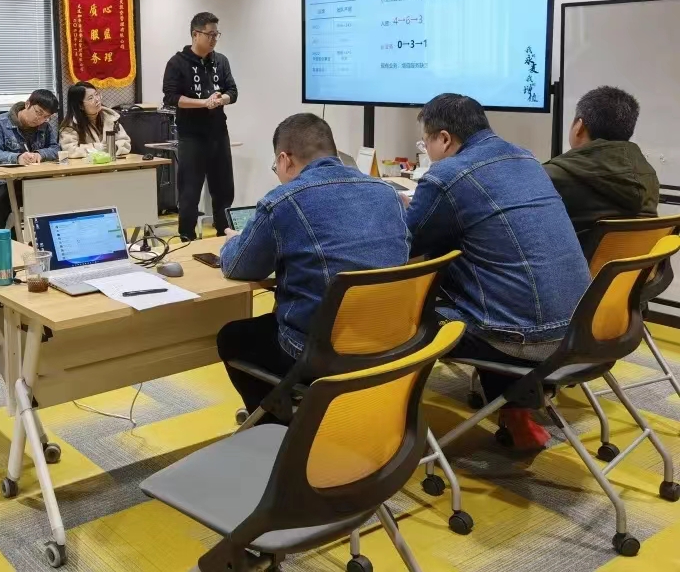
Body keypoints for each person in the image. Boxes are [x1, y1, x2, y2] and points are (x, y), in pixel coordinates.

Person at [406, 94, 591, 450]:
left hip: (521, 340)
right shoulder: (526, 158)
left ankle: (388, 425)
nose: (426, 149)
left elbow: (406, 243)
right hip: (579, 331)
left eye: (425, 142)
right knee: (493, 282)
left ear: (444, 138)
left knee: (402, 310)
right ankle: (515, 413)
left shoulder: (448, 174)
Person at [216, 113, 410, 416]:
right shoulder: (387, 193)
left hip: (322, 353)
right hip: (392, 342)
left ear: (284, 159)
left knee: (233, 336)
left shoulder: (283, 200)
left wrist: (233, 240)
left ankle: (276, 426)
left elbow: (240, 265)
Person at [544, 86, 659, 241]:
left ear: (579, 126)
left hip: (577, 257)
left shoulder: (549, 178)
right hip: (638, 257)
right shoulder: (649, 176)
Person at [162, 12, 238, 240]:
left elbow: (233, 91)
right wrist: (203, 103)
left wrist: (221, 99)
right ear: (196, 34)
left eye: (216, 34)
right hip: (191, 136)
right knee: (190, 191)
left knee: (224, 189)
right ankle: (187, 238)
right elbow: (171, 98)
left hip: (218, 133)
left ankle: (225, 237)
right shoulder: (177, 63)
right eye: (210, 34)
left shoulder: (221, 61)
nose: (214, 39)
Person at [0, 89, 61, 230]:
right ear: (27, 104)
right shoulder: (0, 123)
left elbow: (56, 149)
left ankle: (43, 236)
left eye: (46, 117)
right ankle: (10, 237)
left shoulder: (45, 126)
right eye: (38, 112)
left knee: (56, 192)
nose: (40, 119)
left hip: (35, 178)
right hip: (5, 182)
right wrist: (17, 158)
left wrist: (40, 154)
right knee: (6, 199)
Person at [59, 81, 132, 158]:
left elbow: (125, 143)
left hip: (111, 163)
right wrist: (98, 148)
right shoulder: (71, 125)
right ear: (80, 106)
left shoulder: (111, 118)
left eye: (96, 94)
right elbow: (70, 150)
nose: (97, 99)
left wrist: (114, 148)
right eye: (90, 98)